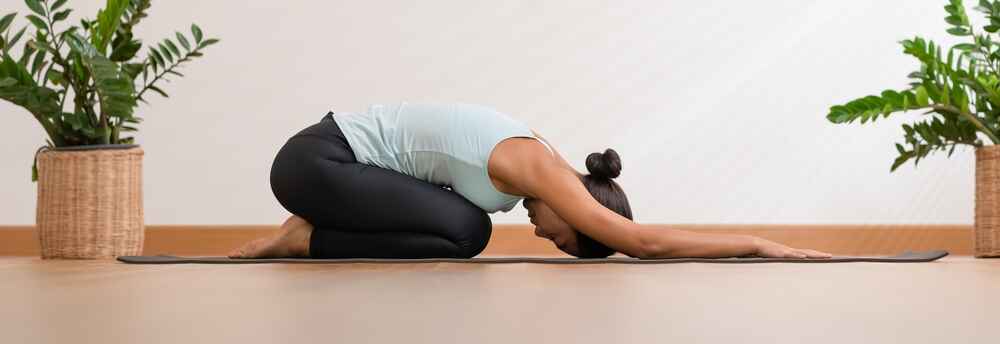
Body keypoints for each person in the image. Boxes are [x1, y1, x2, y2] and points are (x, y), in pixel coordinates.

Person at [228, 102, 833, 259]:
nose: (547, 238)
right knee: (468, 229)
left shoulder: (538, 164)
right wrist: (754, 243)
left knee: (465, 231)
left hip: (331, 169)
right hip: (316, 161)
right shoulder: (538, 167)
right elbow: (640, 241)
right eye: (567, 239)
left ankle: (312, 235)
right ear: (583, 207)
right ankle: (303, 238)